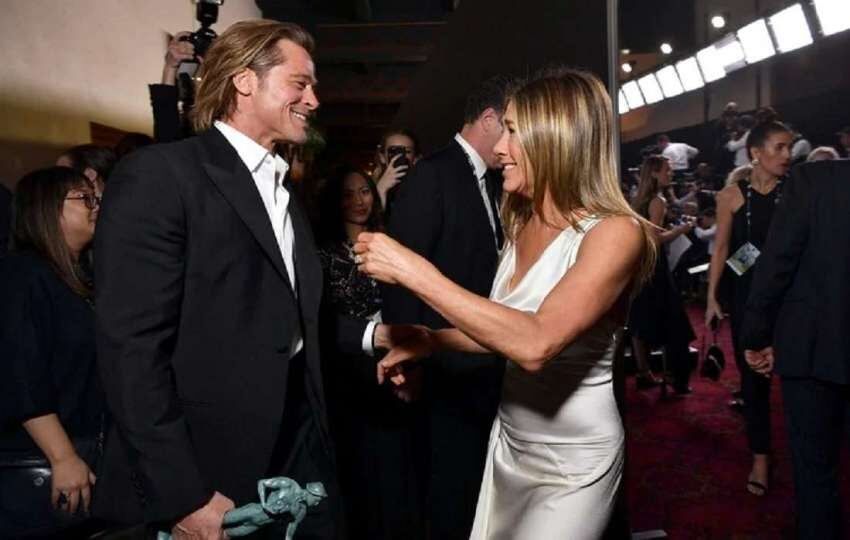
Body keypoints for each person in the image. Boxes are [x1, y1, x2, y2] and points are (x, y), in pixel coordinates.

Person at [92, 20, 403, 540]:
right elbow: (131, 350)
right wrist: (184, 493)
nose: (315, 100)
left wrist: (378, 338)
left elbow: (287, 320)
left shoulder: (283, 191)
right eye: (300, 83)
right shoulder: (162, 175)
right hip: (206, 470)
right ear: (244, 82)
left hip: (296, 452)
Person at [356, 68, 655, 539]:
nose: (498, 148)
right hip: (511, 443)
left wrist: (414, 271)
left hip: (574, 462)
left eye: (513, 132)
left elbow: (536, 341)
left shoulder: (615, 233)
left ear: (553, 137)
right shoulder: (519, 219)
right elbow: (505, 334)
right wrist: (432, 340)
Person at [380, 75, 509, 539]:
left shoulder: (491, 181)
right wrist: (406, 358)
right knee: (449, 488)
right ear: (490, 119)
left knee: (474, 480)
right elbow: (397, 275)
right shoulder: (433, 174)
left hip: (479, 358)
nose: (515, 140)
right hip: (441, 363)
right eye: (510, 126)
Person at [741, 159, 850, 539]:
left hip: (814, 347)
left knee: (815, 471)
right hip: (810, 346)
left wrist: (755, 334)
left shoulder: (816, 179)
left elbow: (777, 263)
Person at [317, 167, 423, 539]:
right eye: (348, 194)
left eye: (365, 191)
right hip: (347, 373)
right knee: (359, 466)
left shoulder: (390, 244)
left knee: (396, 461)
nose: (359, 200)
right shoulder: (323, 255)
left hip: (394, 361)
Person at [0, 167, 105, 538]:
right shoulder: (21, 275)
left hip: (82, 456)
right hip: (39, 466)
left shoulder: (76, 278)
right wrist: (63, 456)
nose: (96, 206)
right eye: (84, 198)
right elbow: (20, 375)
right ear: (47, 208)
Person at [705, 120, 793, 497]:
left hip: (790, 298)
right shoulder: (732, 196)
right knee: (753, 380)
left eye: (790, 147)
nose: (788, 155)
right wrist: (712, 297)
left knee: (796, 376)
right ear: (756, 153)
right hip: (746, 297)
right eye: (780, 148)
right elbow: (723, 249)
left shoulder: (796, 192)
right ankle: (760, 455)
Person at [628, 155, 697, 393]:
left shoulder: (640, 199)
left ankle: (643, 371)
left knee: (640, 318)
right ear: (655, 173)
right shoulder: (657, 201)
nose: (672, 173)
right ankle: (669, 375)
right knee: (669, 319)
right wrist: (681, 229)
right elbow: (654, 239)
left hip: (641, 264)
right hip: (655, 266)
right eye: (668, 169)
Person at [371, 128, 419, 212]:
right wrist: (381, 190)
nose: (399, 156)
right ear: (382, 157)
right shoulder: (368, 188)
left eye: (407, 151)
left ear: (415, 158)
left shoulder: (425, 187)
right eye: (393, 151)